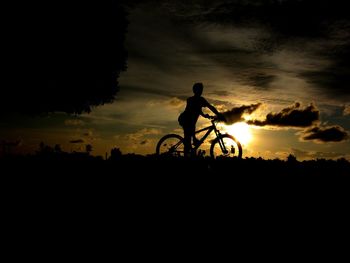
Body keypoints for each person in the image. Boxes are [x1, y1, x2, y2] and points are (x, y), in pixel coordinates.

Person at [178, 82, 223, 157]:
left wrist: (206, 115)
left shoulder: (200, 100)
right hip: (185, 120)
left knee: (189, 140)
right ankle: (186, 156)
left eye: (201, 90)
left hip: (191, 122)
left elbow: (207, 107)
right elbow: (192, 110)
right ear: (195, 90)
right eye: (199, 89)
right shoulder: (191, 100)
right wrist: (218, 115)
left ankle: (190, 152)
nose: (201, 91)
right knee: (188, 141)